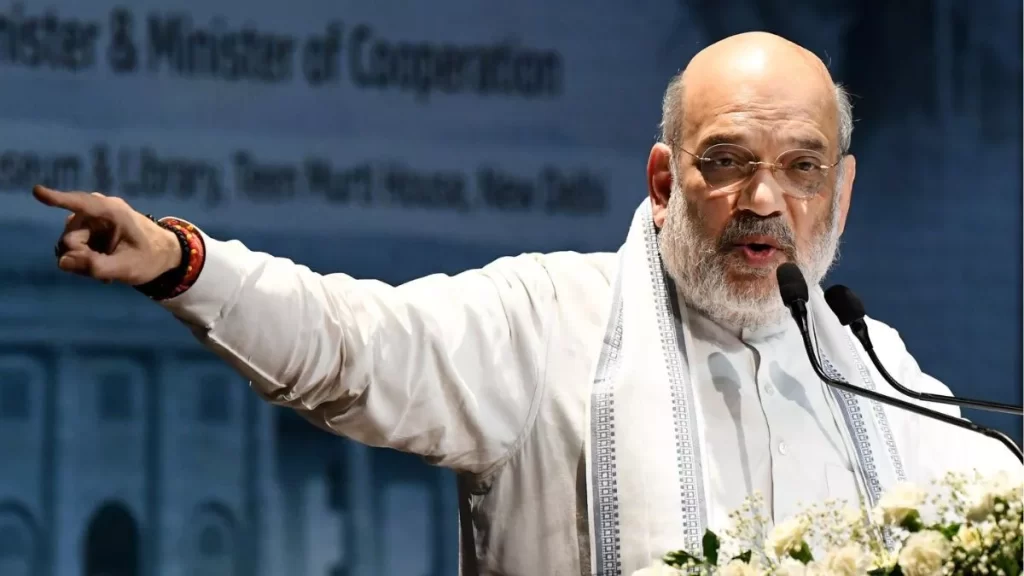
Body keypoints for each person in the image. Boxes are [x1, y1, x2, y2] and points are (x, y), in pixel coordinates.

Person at [35, 32, 1018, 576]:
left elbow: (992, 506)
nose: (765, 200)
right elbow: (355, 345)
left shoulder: (870, 367)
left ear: (839, 195)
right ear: (663, 184)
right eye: (726, 162)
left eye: (801, 168)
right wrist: (185, 263)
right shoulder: (549, 320)